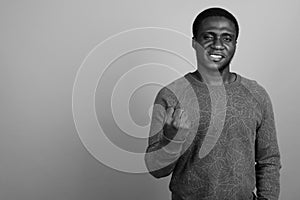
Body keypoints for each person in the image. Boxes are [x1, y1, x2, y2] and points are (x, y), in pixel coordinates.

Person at [144, 7, 281, 200]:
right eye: (208, 37)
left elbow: (269, 160)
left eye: (227, 38)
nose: (217, 45)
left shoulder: (256, 94)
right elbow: (157, 170)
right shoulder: (171, 95)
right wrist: (171, 139)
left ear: (235, 43)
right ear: (195, 42)